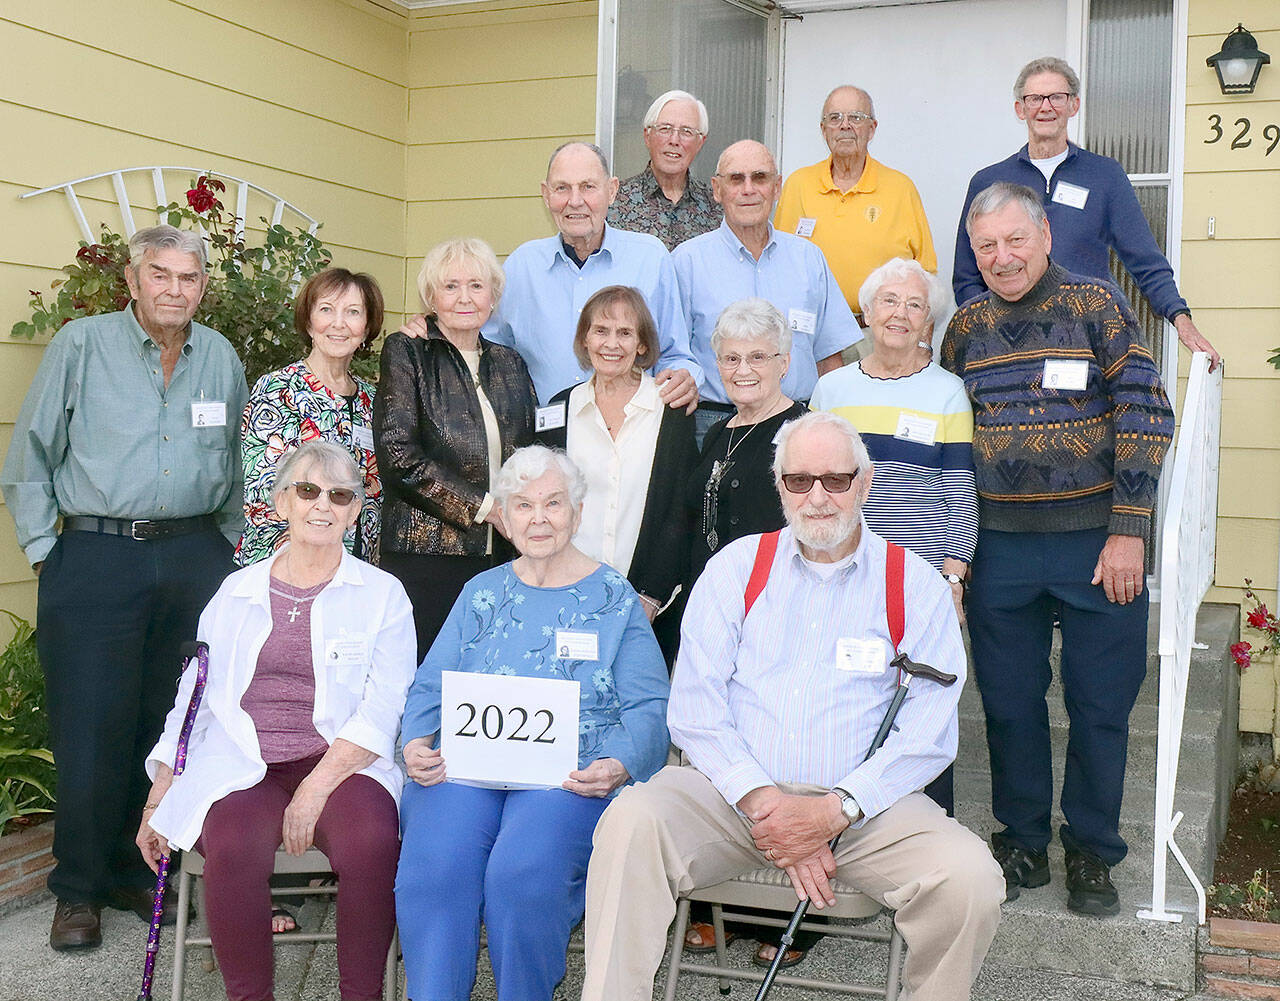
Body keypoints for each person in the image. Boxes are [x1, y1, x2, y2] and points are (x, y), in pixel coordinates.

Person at [582, 411, 1003, 1001]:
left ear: (866, 481)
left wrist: (834, 812)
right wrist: (770, 804)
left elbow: (927, 735)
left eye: (836, 479)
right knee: (632, 821)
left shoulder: (915, 584)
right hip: (731, 799)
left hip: (864, 816)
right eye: (800, 480)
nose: (819, 497)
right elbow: (696, 710)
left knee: (970, 878)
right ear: (779, 487)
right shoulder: (734, 569)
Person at [1, 224, 247, 952]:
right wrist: (51, 552)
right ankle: (76, 888)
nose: (176, 288)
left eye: (189, 278)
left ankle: (137, 873)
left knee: (169, 724)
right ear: (135, 281)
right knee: (89, 724)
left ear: (204, 286)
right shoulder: (82, 345)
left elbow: (236, 461)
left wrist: (227, 552)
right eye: (161, 275)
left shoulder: (221, 358)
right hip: (96, 555)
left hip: (195, 555)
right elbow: (30, 453)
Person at [941, 181, 1174, 916]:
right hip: (1001, 550)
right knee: (1009, 704)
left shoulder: (1097, 304)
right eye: (987, 247)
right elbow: (949, 433)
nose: (1003, 257)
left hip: (1097, 546)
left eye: (1015, 240)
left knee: (1100, 704)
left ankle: (1094, 850)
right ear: (973, 255)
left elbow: (1145, 410)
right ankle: (1023, 840)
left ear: (1044, 234)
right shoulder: (965, 327)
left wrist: (1129, 527)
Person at [136, 441, 415, 1001]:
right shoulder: (234, 591)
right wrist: (159, 793)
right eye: (307, 490)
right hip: (245, 762)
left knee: (373, 842)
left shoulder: (383, 595)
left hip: (341, 764)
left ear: (356, 510)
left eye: (339, 496)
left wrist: (313, 791)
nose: (322, 506)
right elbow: (193, 697)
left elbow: (384, 708)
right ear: (281, 500)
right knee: (233, 845)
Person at [395, 445, 670, 1001]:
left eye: (553, 503)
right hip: (465, 767)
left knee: (519, 875)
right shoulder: (482, 591)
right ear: (504, 514)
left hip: (567, 777)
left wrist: (617, 765)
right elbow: (432, 683)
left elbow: (648, 707)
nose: (538, 518)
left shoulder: (614, 596)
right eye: (522, 505)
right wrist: (414, 742)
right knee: (436, 870)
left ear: (577, 511)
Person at [810, 257, 978, 821]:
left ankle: (926, 836)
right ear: (867, 312)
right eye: (888, 301)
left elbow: (958, 493)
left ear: (928, 320)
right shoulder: (830, 389)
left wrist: (953, 580)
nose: (900, 315)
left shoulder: (948, 392)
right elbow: (809, 487)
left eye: (914, 305)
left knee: (921, 709)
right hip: (839, 577)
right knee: (844, 707)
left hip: (916, 582)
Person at [681, 297, 813, 968]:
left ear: (785, 361)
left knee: (779, 760)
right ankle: (719, 908)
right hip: (718, 616)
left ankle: (790, 917)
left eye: (757, 356)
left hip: (781, 616)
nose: (742, 368)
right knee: (722, 760)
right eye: (730, 357)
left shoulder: (804, 431)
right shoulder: (718, 429)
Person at [951, 56, 1219, 369]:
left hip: (1084, 342)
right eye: (1035, 98)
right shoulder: (988, 181)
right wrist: (990, 327)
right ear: (1020, 109)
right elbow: (967, 275)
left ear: (1074, 105)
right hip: (1010, 347)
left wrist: (1180, 319)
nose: (1046, 107)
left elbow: (1145, 260)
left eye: (1057, 97)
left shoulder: (1104, 176)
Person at [375, 238, 537, 660]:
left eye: (476, 286)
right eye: (450, 287)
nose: (465, 297)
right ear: (431, 297)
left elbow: (533, 451)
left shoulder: (510, 363)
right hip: (429, 554)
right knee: (427, 675)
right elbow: (399, 457)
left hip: (504, 554)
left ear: (494, 296)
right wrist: (486, 508)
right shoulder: (407, 351)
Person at [533, 286, 696, 660]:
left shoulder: (670, 408)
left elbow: (680, 510)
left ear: (642, 345)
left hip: (647, 604)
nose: (612, 344)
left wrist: (650, 595)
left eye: (625, 333)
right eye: (601, 331)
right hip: (566, 595)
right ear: (585, 339)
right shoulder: (559, 410)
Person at [484, 141, 702, 408]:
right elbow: (483, 348)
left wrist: (684, 378)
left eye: (588, 187)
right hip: (545, 438)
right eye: (562, 188)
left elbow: (675, 355)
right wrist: (430, 327)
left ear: (611, 191)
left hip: (630, 435)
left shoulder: (650, 258)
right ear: (545, 194)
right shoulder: (521, 266)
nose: (575, 201)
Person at [673, 140, 860, 445]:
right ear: (717, 190)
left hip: (798, 422)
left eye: (760, 178)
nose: (749, 189)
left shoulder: (809, 258)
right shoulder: (687, 262)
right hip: (713, 423)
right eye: (736, 179)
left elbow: (829, 358)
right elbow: (671, 355)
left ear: (777, 187)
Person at [237, 267, 383, 567]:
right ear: (309, 320)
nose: (339, 324)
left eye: (353, 312)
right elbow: (263, 491)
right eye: (326, 309)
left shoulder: (374, 400)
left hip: (357, 571)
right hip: (289, 567)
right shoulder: (279, 389)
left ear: (367, 327)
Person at [774, 86, 937, 321]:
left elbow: (926, 276)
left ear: (872, 129)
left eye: (856, 118)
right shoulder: (798, 185)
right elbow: (779, 265)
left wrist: (922, 345)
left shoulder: (901, 188)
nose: (844, 125)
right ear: (823, 130)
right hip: (812, 333)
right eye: (835, 118)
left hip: (880, 334)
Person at [607, 89, 721, 250]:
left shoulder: (716, 208)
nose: (674, 140)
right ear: (647, 136)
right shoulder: (614, 203)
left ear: (700, 142)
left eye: (686, 131)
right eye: (665, 129)